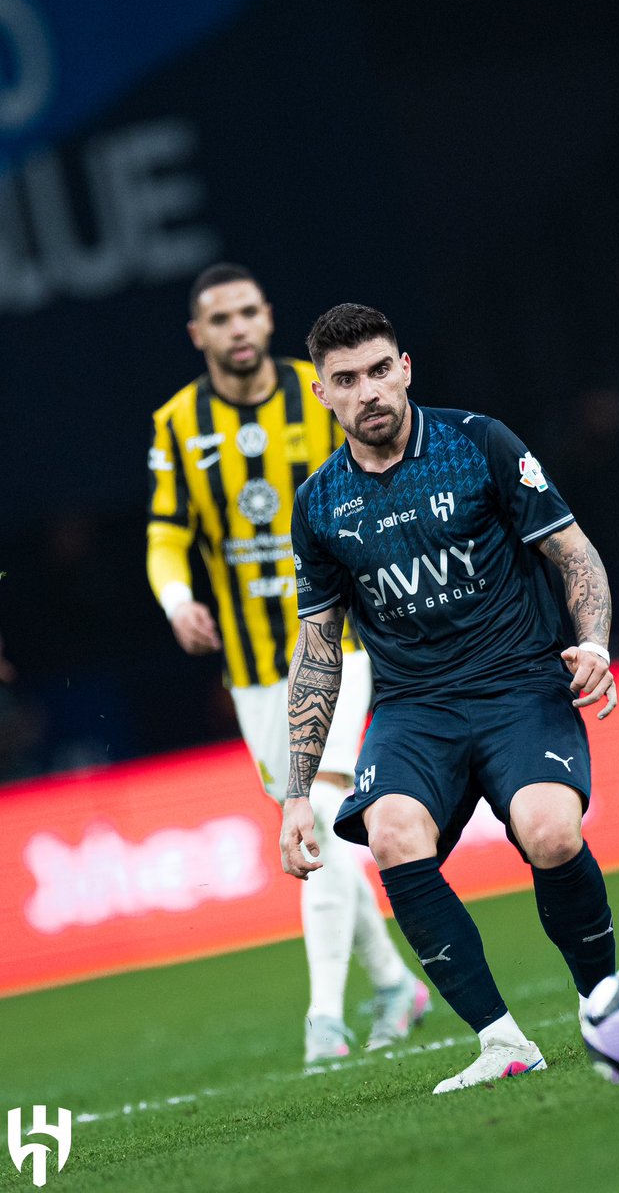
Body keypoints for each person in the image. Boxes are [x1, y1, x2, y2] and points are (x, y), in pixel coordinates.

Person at [280, 303, 618, 1093]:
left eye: (378, 370)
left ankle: (603, 1003)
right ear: (323, 394)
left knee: (550, 832)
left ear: (405, 369)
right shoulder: (319, 504)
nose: (367, 390)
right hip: (414, 708)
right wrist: (297, 792)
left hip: (518, 683)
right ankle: (502, 1042)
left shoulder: (479, 443)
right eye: (345, 380)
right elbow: (319, 650)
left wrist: (596, 642)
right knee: (392, 834)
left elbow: (572, 551)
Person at [146, 267, 429, 1063]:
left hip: (339, 646)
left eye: (248, 312)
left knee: (321, 808)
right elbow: (166, 533)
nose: (237, 328)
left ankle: (324, 1021)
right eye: (219, 318)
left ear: (267, 318)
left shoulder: (324, 391)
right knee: (316, 830)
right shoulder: (177, 424)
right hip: (252, 671)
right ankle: (394, 985)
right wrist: (176, 600)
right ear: (198, 334)